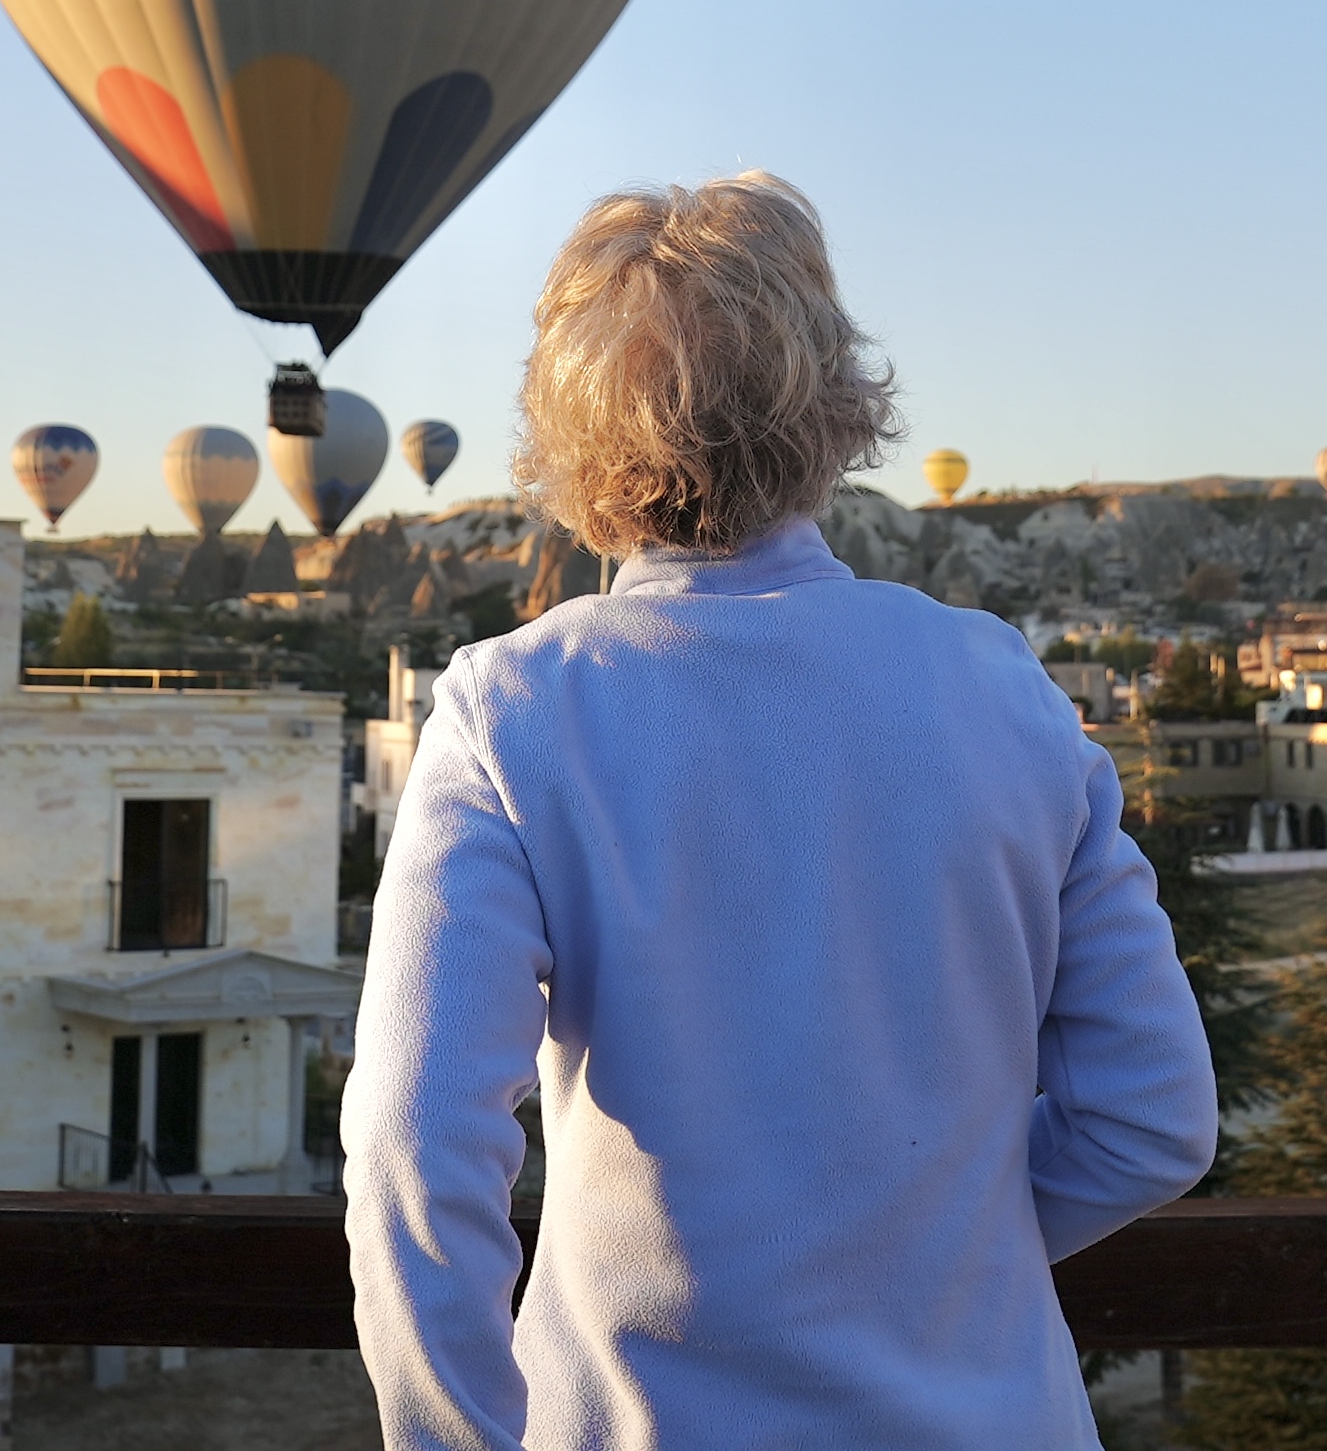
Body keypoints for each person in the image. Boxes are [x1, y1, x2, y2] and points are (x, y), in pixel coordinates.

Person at [346, 174, 1215, 1447]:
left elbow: (411, 1153)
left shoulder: (514, 709)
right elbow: (1152, 1120)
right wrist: (927, 1250)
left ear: (573, 434)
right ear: (833, 409)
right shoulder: (1001, 690)